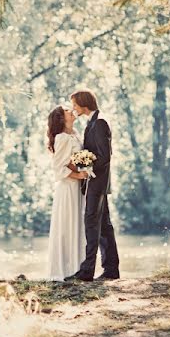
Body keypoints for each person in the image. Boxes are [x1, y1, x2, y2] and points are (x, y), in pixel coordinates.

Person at [66, 90, 120, 281]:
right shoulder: (94, 121)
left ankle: (87, 271)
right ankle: (111, 269)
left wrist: (86, 166)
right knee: (104, 225)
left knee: (91, 222)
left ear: (83, 104)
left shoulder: (100, 122)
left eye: (74, 105)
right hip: (98, 180)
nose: (73, 109)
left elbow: (105, 156)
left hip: (97, 181)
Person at [46, 105, 88, 281]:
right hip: (67, 188)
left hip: (77, 187)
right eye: (68, 112)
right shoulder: (62, 138)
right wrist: (78, 174)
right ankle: (64, 269)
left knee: (78, 224)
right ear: (62, 119)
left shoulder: (75, 134)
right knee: (67, 225)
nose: (72, 112)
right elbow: (58, 168)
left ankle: (78, 266)